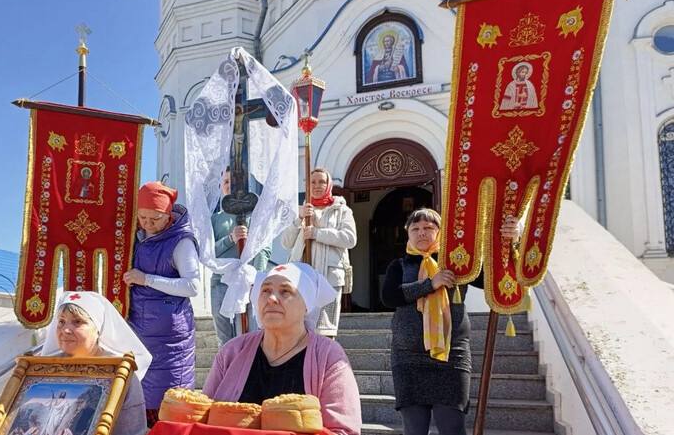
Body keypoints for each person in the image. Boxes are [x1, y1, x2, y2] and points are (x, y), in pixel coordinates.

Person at [380, 208, 520, 435]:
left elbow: (493, 279)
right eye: (415, 228)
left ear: (441, 232)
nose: (421, 233)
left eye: (428, 228)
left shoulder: (458, 261)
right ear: (408, 234)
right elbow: (389, 297)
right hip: (408, 359)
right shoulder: (399, 265)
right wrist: (430, 284)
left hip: (451, 356)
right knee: (414, 430)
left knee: (452, 428)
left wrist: (510, 241)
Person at [203, 262, 362, 435]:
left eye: (285, 291)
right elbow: (202, 415)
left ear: (306, 306)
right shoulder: (232, 352)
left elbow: (344, 430)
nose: (271, 298)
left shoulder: (327, 357)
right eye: (266, 290)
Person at [123, 181, 199, 426]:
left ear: (168, 215)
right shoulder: (136, 235)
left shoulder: (181, 241)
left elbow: (192, 286)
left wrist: (146, 279)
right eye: (142, 217)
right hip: (140, 328)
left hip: (171, 335)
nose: (147, 224)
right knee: (142, 398)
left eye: (155, 218)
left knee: (170, 402)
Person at [40, 290, 152, 435]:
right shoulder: (39, 369)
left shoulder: (120, 373)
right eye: (61, 321)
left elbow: (133, 431)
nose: (66, 329)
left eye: (77, 322)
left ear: (98, 329)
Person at [282, 168, 356, 337]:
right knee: (300, 327)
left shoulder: (341, 210)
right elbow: (286, 242)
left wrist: (317, 233)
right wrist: (299, 218)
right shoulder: (301, 210)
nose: (317, 185)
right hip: (302, 276)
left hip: (328, 275)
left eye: (321, 181)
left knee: (325, 329)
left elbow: (350, 239)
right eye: (312, 182)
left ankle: (324, 362)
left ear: (329, 184)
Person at [211, 167, 271, 346]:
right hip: (221, 281)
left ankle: (249, 369)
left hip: (248, 282)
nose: (230, 186)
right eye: (226, 182)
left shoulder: (256, 217)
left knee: (248, 332)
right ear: (222, 186)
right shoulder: (215, 219)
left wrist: (255, 277)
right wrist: (230, 239)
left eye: (234, 182)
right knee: (224, 335)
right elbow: (209, 253)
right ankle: (228, 368)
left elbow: (264, 249)